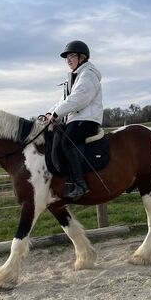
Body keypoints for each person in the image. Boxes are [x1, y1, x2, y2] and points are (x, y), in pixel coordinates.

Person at [47, 40, 103, 201]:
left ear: (82, 57)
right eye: (67, 57)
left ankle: (80, 185)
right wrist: (49, 113)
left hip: (87, 118)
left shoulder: (88, 75)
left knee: (67, 141)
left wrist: (56, 115)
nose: (68, 60)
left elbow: (78, 99)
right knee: (55, 137)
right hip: (76, 118)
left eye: (72, 56)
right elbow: (64, 100)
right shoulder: (73, 77)